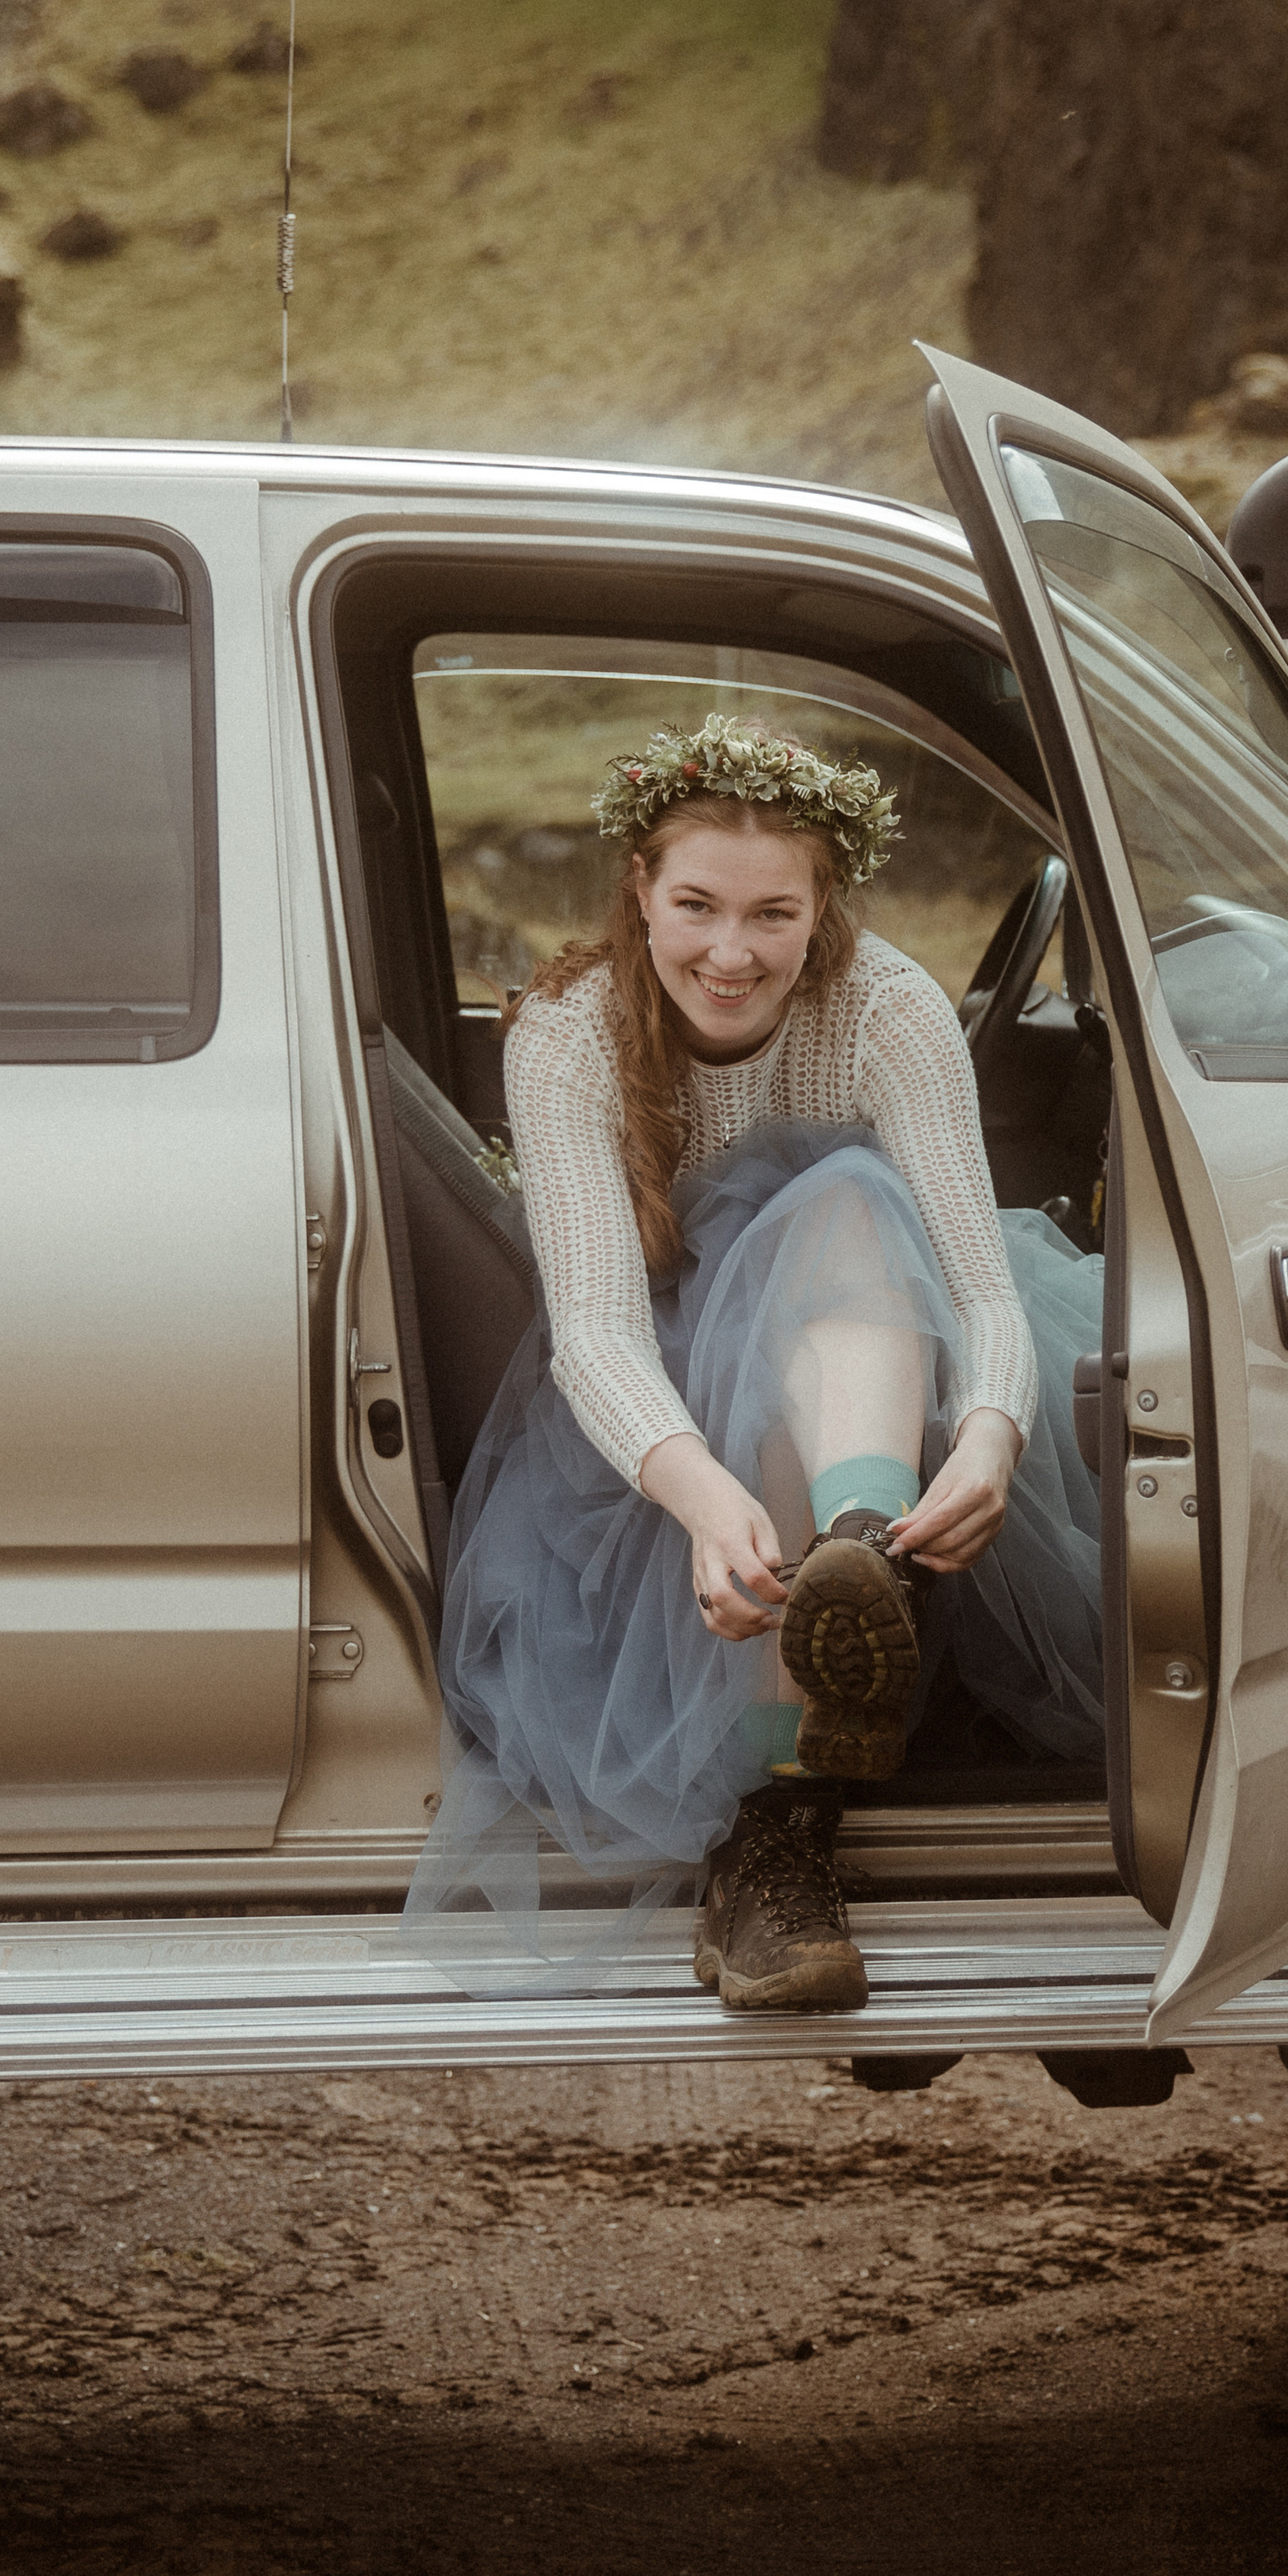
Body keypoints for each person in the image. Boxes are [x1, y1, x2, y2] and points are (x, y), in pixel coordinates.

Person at [411, 710, 1106, 2015]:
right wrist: (702, 1499)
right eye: (697, 907)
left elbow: (981, 1284)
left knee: (846, 1202)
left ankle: (859, 1570)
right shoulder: (568, 1031)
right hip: (654, 1420)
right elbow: (601, 1333)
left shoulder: (889, 1009)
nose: (731, 954)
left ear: (824, 902)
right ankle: (792, 1793)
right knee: (815, 1228)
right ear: (640, 889)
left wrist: (998, 1433)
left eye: (773, 916)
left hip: (878, 1383)